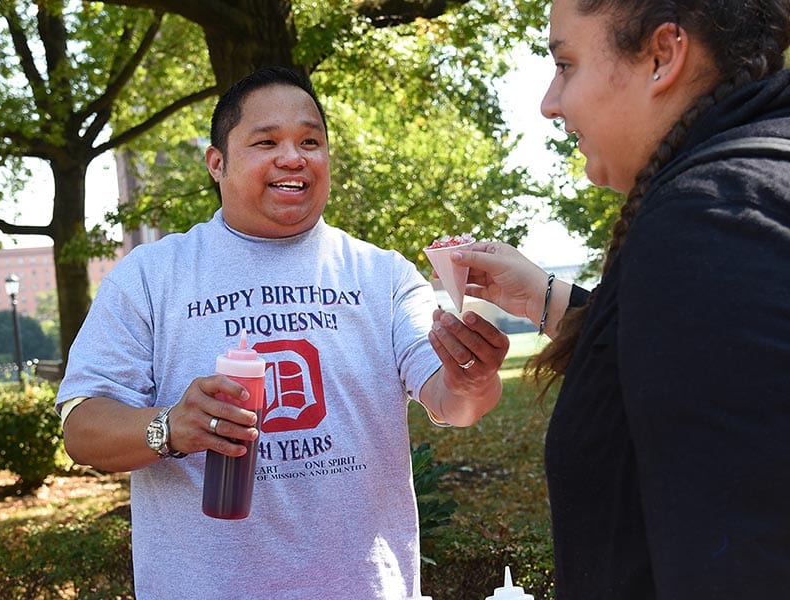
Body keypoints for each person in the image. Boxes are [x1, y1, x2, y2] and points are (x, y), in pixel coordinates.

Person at [56, 66, 509, 600]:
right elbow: (81, 428)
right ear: (217, 163)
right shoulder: (151, 276)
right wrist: (170, 427)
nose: (293, 157)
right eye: (266, 141)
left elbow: (451, 401)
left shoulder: (381, 274)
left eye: (310, 141)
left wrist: (471, 379)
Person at [451, 0, 790, 597]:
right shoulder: (747, 188)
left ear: (662, 55)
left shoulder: (713, 219)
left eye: (566, 65)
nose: (549, 103)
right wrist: (545, 297)